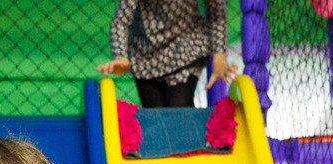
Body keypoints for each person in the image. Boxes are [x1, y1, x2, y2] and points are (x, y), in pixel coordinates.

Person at [96, 0, 238, 108]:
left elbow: (216, 13)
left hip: (186, 44)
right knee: (155, 116)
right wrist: (121, 56)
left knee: (179, 107)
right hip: (145, 53)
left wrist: (219, 56)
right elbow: (120, 21)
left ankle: (189, 143)